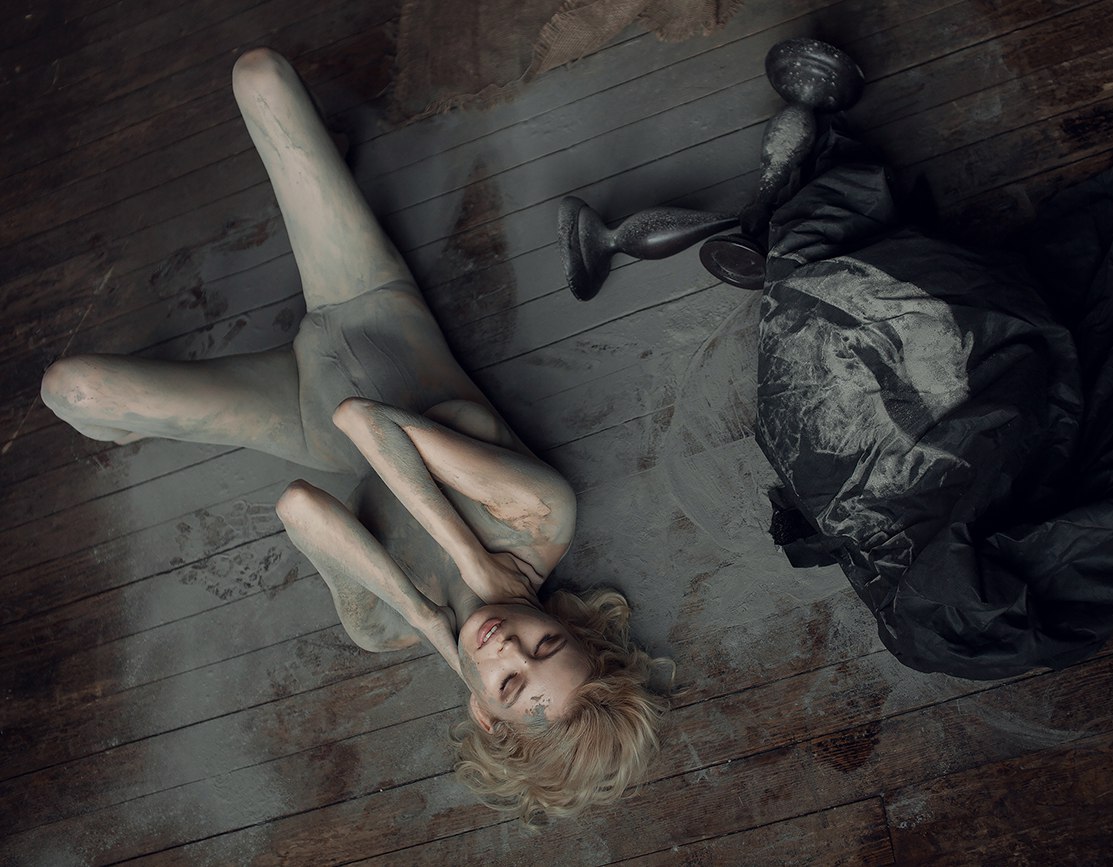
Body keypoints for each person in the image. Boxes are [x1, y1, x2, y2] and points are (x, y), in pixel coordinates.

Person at [39, 47, 669, 825]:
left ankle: (119, 420)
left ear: (484, 713)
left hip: (302, 410)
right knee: (258, 74)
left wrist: (429, 623)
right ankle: (323, 159)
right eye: (544, 645)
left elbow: (301, 505)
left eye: (508, 683)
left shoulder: (386, 625)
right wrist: (476, 558)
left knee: (69, 392)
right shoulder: (542, 518)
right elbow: (366, 420)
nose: (509, 647)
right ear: (569, 626)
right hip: (370, 301)